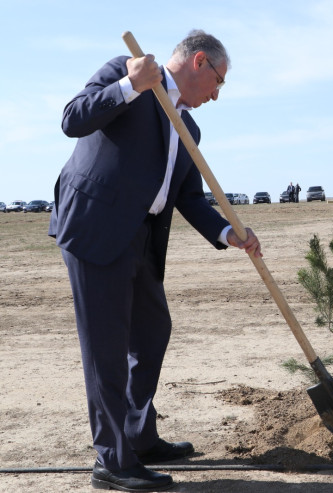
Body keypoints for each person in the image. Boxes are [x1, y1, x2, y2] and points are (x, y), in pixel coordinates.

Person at [48, 30, 262, 491]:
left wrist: (231, 233)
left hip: (142, 239)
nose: (217, 95)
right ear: (199, 62)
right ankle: (113, 461)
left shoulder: (190, 128)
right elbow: (72, 119)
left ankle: (139, 437)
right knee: (106, 349)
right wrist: (129, 86)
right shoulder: (124, 74)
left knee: (151, 333)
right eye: (219, 81)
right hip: (96, 229)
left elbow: (188, 197)